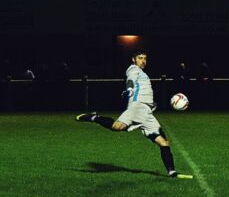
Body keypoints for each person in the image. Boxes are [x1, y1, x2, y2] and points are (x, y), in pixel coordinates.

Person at [75, 49, 190, 179]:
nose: (143, 61)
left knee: (164, 142)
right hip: (137, 106)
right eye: (140, 58)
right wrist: (129, 89)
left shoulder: (143, 73)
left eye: (145, 58)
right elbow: (130, 80)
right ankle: (94, 117)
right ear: (133, 59)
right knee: (117, 127)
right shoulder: (133, 69)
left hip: (147, 112)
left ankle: (172, 172)